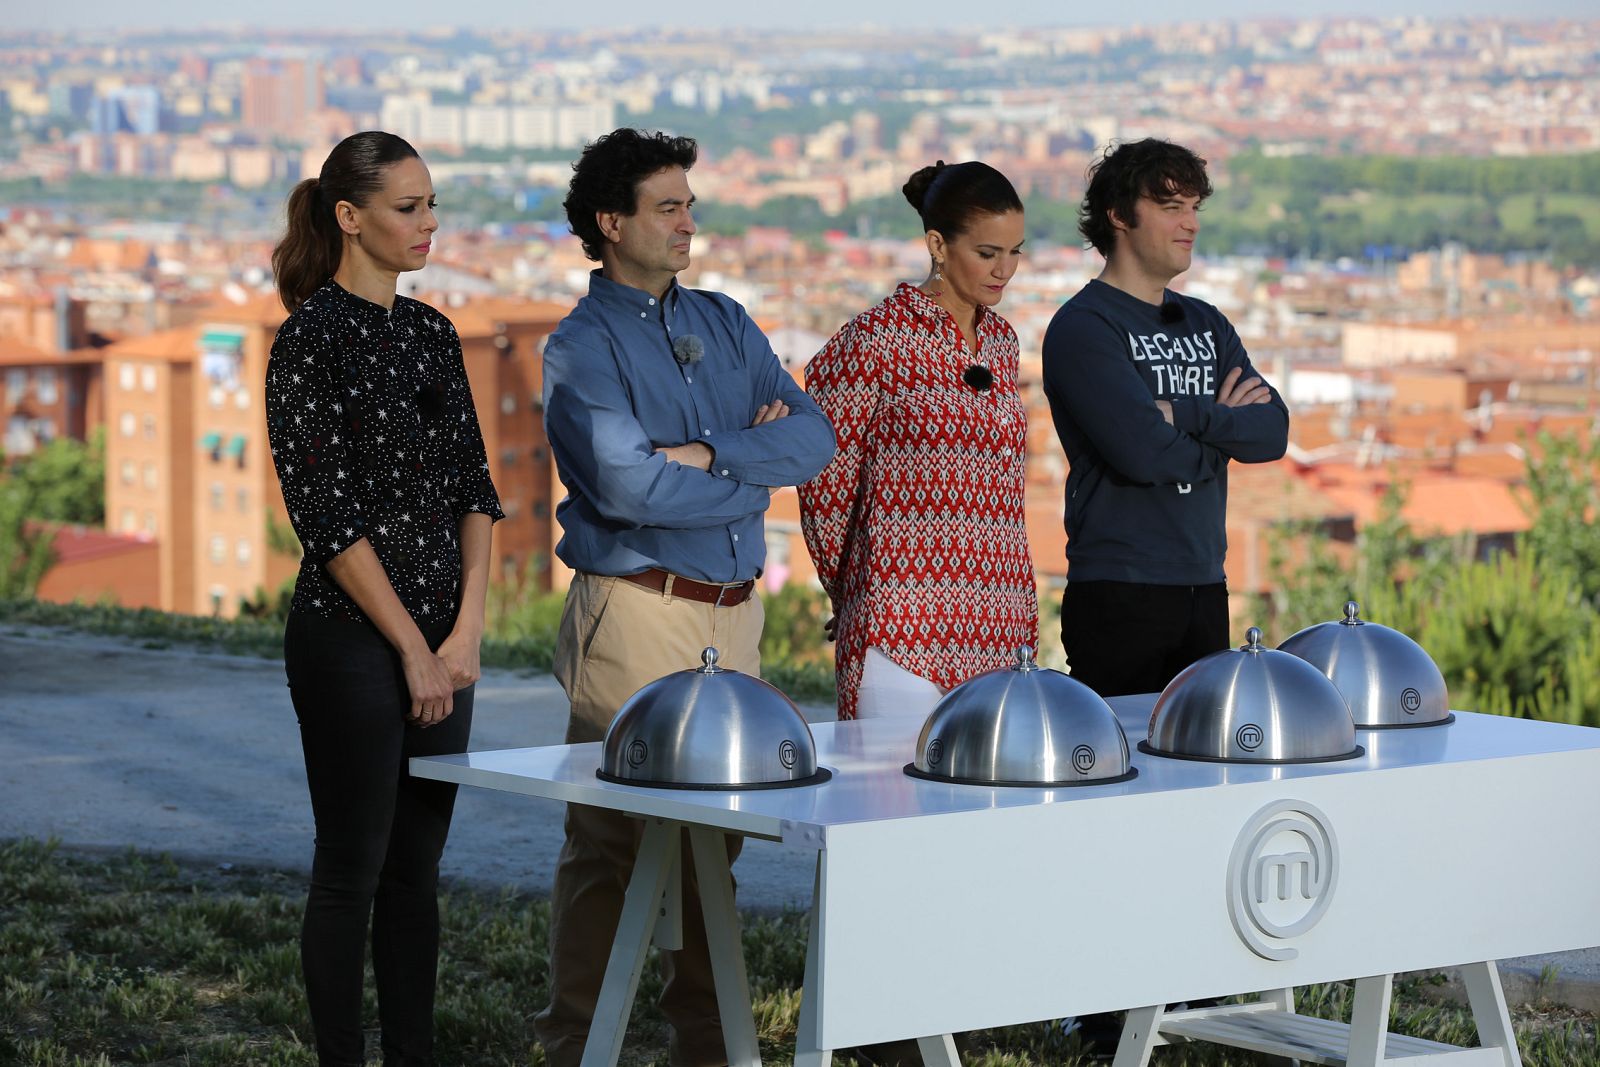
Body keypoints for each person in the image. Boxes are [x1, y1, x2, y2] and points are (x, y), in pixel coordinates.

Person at [533, 128, 834, 1067]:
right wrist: (752, 476)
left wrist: (710, 458)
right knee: (613, 837)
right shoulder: (582, 348)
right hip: (636, 608)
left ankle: (706, 1040)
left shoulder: (731, 321)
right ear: (609, 222)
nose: (687, 223)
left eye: (690, 204)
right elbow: (626, 490)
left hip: (731, 611)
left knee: (717, 841)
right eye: (667, 206)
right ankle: (579, 1038)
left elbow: (813, 439)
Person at [265, 130, 503, 1066]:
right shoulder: (309, 341)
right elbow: (326, 520)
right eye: (408, 208)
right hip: (350, 644)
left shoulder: (432, 333)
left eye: (432, 203)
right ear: (350, 218)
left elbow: (476, 492)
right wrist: (412, 648)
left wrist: (466, 634)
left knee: (417, 875)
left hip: (446, 641)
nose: (428, 223)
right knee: (351, 868)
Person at [1042, 138, 1288, 701]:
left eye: (1196, 208)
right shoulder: (1085, 328)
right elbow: (1144, 454)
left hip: (1205, 581)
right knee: (1119, 772)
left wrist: (1183, 413)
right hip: (1119, 587)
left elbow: (1273, 432)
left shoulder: (1207, 323)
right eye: (1173, 207)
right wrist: (1224, 433)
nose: (1192, 224)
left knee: (1198, 764)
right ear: (1120, 215)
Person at [799, 160, 1038, 721]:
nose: (1005, 270)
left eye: (1016, 252)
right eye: (987, 253)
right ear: (937, 244)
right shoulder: (873, 340)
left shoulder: (1002, 342)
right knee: (892, 804)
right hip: (902, 624)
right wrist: (853, 591)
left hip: (999, 620)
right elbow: (824, 486)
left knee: (988, 805)